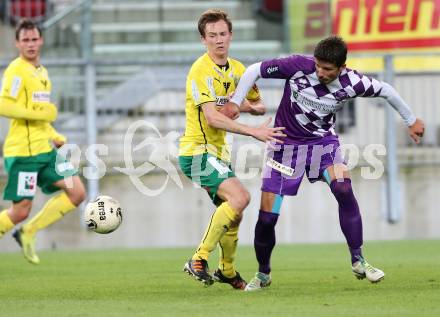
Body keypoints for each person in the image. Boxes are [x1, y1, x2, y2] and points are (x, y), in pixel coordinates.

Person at [225, 35, 425, 291]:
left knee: (343, 188)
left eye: (327, 69)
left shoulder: (353, 82)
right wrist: (234, 102)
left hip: (323, 145)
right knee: (267, 219)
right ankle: (263, 273)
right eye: (318, 66)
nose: (320, 72)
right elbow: (255, 70)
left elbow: (386, 90)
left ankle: (358, 260)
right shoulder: (298, 65)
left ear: (342, 67)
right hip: (284, 146)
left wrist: (411, 120)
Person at [179, 9, 286, 289]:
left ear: (231, 35)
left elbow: (259, 104)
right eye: (212, 35)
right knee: (240, 197)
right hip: (197, 153)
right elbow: (212, 118)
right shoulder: (200, 70)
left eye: (222, 34)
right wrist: (255, 132)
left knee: (234, 211)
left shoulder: (240, 70)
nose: (218, 40)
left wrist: (242, 105)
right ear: (203, 40)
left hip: (219, 156)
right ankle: (199, 258)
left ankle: (226, 270)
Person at [0, 19, 86, 264]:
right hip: (24, 155)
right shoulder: (17, 70)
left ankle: (29, 232)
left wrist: (53, 134)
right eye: (25, 40)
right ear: (17, 43)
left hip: (45, 153)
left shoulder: (42, 72)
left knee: (77, 192)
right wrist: (44, 115)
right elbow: (4, 105)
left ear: (41, 41)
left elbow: (40, 113)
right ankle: (23, 226)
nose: (30, 44)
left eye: (34, 39)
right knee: (20, 211)